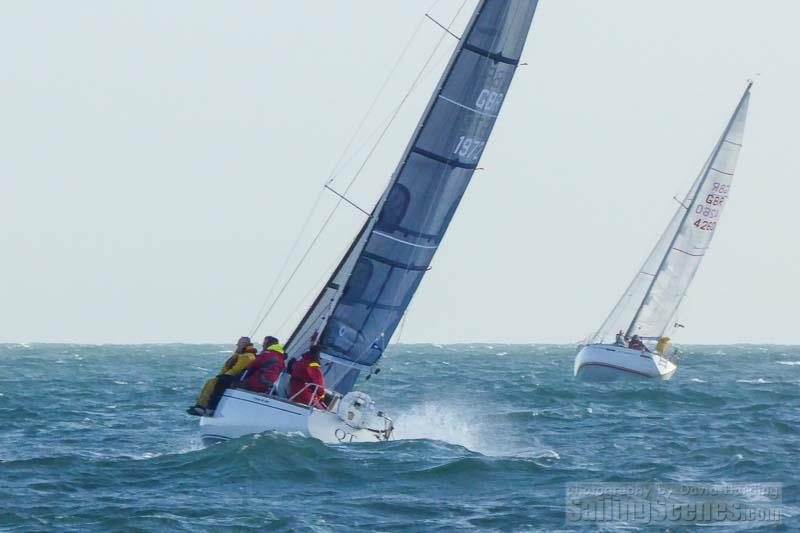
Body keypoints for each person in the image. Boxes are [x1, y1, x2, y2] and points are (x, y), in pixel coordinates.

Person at [187, 336, 258, 416]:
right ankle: (201, 406)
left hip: (235, 379)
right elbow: (227, 366)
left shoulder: (247, 356)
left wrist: (223, 376)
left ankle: (206, 408)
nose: (237, 346)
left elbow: (236, 370)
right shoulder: (240, 354)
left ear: (245, 344)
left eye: (239, 344)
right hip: (230, 376)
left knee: (214, 383)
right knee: (211, 382)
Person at [288, 344, 326, 409]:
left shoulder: (299, 362)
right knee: (324, 412)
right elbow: (319, 386)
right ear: (317, 355)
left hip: (293, 393)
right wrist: (322, 396)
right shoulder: (313, 367)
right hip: (306, 397)